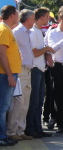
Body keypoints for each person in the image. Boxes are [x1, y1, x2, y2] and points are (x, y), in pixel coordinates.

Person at [6, 10, 36, 141]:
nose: (34, 21)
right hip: (20, 70)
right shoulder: (17, 32)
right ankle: (11, 131)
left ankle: (20, 130)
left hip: (28, 70)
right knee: (18, 102)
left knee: (25, 103)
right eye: (33, 18)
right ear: (28, 19)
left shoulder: (27, 33)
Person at [26, 8, 53, 138]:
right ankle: (31, 127)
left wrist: (46, 53)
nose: (48, 19)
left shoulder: (38, 31)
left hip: (41, 68)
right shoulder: (33, 32)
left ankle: (37, 127)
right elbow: (34, 52)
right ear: (41, 17)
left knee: (39, 100)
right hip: (35, 68)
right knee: (34, 101)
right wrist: (46, 49)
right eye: (47, 16)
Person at [0, 5, 22, 146]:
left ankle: (2, 135)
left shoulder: (7, 30)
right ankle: (1, 136)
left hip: (8, 74)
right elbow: (2, 54)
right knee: (3, 107)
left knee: (4, 107)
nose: (18, 16)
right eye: (17, 13)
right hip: (4, 75)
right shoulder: (3, 30)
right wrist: (9, 75)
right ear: (12, 15)